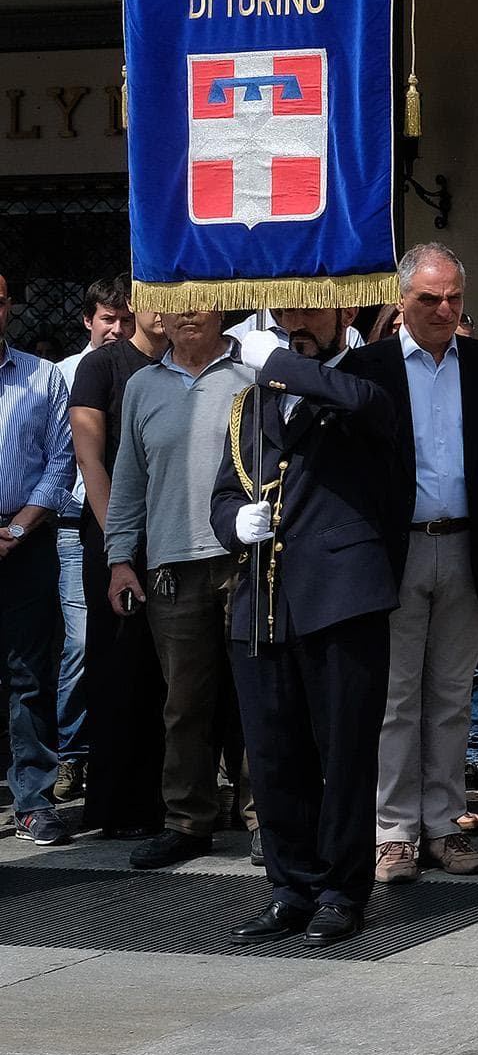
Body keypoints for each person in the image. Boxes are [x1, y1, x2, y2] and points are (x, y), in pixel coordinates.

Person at [211, 311, 404, 946]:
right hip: (262, 603)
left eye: (311, 309)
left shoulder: (374, 378)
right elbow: (222, 492)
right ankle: (289, 888)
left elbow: (355, 402)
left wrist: (283, 366)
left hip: (341, 600)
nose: (297, 323)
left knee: (345, 753)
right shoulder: (253, 404)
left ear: (343, 311)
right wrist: (233, 523)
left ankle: (341, 890)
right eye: (288, 312)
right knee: (271, 755)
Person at [345, 244, 478, 883]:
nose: (444, 309)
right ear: (401, 302)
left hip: (467, 546)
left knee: (451, 695)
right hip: (397, 550)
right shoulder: (366, 367)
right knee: (395, 698)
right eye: (429, 299)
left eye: (453, 297)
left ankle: (445, 824)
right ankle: (393, 832)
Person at [105, 308, 257, 866]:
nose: (188, 313)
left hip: (246, 560)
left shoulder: (253, 372)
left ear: (221, 309)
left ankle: (267, 818)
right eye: (177, 302)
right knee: (185, 704)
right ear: (160, 315)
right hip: (171, 565)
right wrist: (120, 557)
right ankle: (188, 822)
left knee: (258, 698)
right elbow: (129, 478)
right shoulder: (143, 384)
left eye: (200, 300)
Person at [70, 305, 171, 837]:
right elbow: (91, 461)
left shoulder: (181, 363)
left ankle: (165, 802)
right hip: (115, 540)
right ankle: (117, 807)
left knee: (165, 677)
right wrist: (119, 550)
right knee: (118, 671)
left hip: (173, 539)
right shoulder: (103, 366)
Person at [43, 276, 130, 811]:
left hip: (127, 524)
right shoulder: (66, 374)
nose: (116, 329)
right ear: (87, 320)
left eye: (124, 319)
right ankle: (74, 752)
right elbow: (60, 452)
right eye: (107, 319)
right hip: (74, 527)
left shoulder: (142, 365)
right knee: (79, 643)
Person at [0, 269, 76, 843]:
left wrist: (22, 525)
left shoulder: (43, 375)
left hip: (25, 542)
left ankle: (33, 798)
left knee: (30, 671)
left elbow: (60, 459)